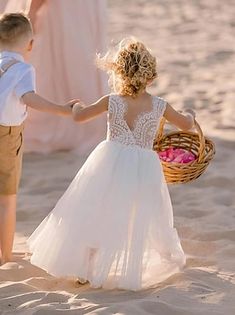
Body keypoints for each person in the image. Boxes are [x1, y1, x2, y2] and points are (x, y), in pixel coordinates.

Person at [28, 38, 195, 291]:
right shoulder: (160, 105)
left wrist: (76, 106)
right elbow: (185, 125)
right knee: (143, 215)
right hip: (142, 170)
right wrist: (191, 115)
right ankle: (155, 259)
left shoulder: (112, 101)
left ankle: (87, 268)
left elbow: (80, 117)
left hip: (108, 163)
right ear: (151, 76)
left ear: (119, 73)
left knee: (98, 211)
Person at [0, 13, 75, 265]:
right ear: (30, 44)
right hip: (7, 136)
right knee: (7, 197)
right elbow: (29, 98)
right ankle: (6, 255)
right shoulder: (24, 69)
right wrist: (63, 109)